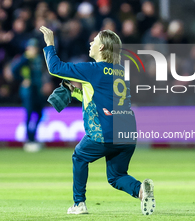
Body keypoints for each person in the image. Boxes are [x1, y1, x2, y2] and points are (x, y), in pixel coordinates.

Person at [39, 26, 155, 215]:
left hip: (105, 131)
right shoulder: (120, 72)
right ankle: (141, 190)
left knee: (79, 156)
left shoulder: (92, 70)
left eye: (94, 41)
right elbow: (98, 96)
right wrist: (75, 92)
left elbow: (55, 68)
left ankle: (79, 204)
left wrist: (50, 44)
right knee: (117, 176)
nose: (91, 43)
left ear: (102, 48)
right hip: (127, 133)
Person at [12, 38, 46, 152]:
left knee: (40, 114)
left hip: (37, 90)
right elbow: (14, 70)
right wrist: (23, 79)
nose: (34, 49)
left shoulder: (38, 59)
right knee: (29, 114)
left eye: (35, 47)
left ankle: (33, 137)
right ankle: (29, 140)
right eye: (32, 47)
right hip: (28, 91)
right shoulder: (25, 59)